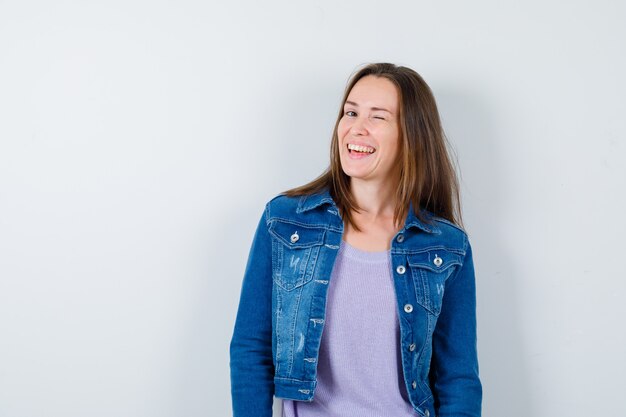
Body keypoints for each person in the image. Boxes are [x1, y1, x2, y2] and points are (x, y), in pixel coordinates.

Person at [229, 62, 482, 417]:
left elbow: (458, 378)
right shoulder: (285, 222)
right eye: (351, 112)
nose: (356, 128)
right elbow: (250, 350)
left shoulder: (445, 246)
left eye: (378, 117)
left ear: (411, 135)